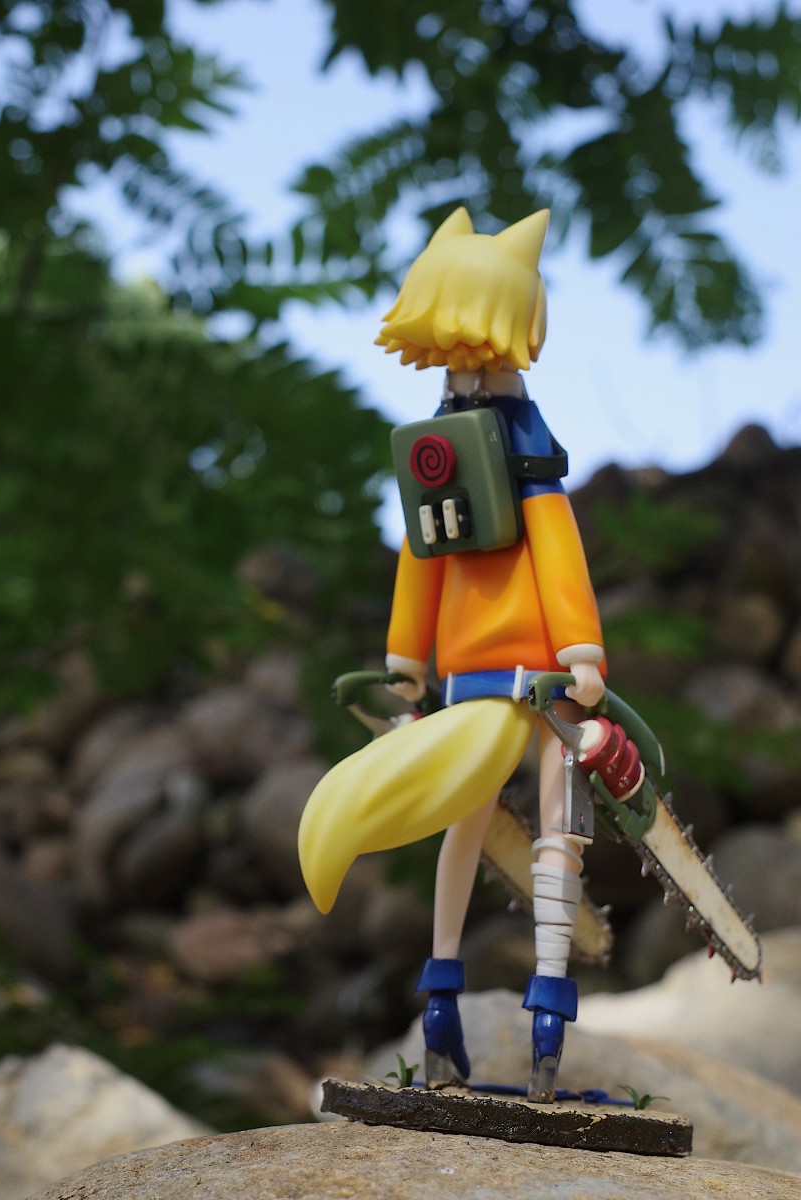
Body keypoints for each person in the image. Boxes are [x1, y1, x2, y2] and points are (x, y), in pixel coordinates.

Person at [298, 206, 607, 1100]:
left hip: (501, 674)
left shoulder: (484, 450)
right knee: (541, 834)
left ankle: (467, 1009)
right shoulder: (489, 452)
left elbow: (455, 555)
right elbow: (469, 555)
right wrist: (576, 649)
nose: (462, 366)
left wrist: (413, 655)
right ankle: (522, 1019)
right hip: (521, 677)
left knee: (498, 831)